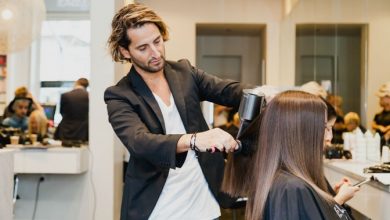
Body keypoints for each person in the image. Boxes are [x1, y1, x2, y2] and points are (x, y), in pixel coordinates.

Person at [104, 3, 249, 220]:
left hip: (204, 205)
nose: (155, 53)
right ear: (125, 51)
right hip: (158, 209)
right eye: (143, 48)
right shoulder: (120, 95)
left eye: (157, 41)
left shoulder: (184, 72)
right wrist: (194, 140)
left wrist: (266, 94)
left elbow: (228, 91)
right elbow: (140, 142)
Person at [222, 91, 359, 220]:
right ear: (301, 133)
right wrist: (336, 200)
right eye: (324, 128)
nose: (330, 136)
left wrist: (323, 197)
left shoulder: (287, 182)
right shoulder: (291, 189)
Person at [372, 82, 390, 148]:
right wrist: (379, 127)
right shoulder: (378, 114)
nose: (380, 100)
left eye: (382, 98)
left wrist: (387, 129)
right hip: (380, 144)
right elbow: (373, 124)